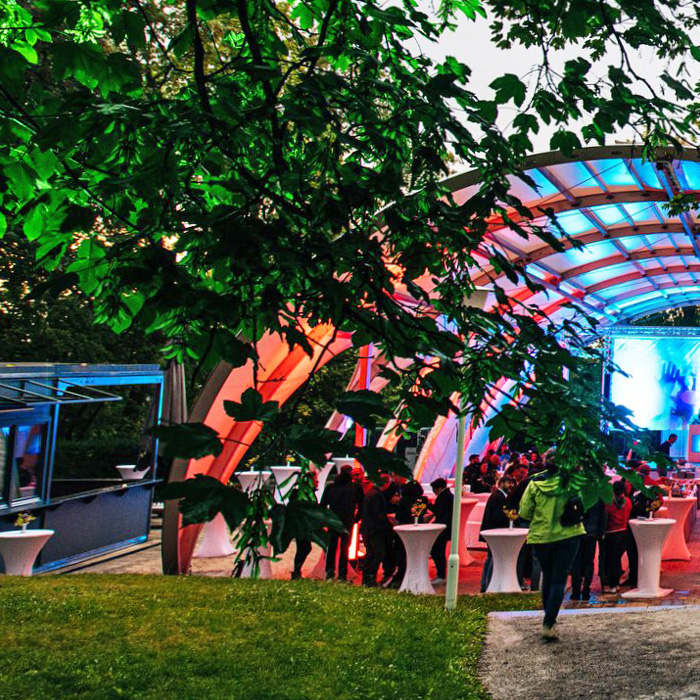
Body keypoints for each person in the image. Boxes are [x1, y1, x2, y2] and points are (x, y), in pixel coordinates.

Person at [518, 458, 585, 640]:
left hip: (542, 537)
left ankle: (549, 619)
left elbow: (524, 512)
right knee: (559, 580)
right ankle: (549, 623)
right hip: (568, 535)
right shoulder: (572, 482)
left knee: (548, 576)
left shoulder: (534, 483)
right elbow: (582, 504)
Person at [321, 468, 363, 581]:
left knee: (332, 547)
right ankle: (342, 573)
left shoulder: (330, 488)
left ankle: (330, 572)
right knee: (345, 548)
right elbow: (361, 505)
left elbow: (323, 505)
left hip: (333, 520)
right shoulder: (355, 488)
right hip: (347, 520)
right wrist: (356, 518)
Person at [480, 475, 516, 592]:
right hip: (494, 532)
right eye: (508, 483)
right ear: (501, 484)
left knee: (491, 558)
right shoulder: (498, 497)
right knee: (493, 558)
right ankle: (488, 584)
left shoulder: (499, 496)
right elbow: (496, 516)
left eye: (511, 483)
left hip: (492, 531)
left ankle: (485, 585)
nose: (510, 486)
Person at [360, 474, 392, 586]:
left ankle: (367, 578)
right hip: (374, 530)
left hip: (367, 529)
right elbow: (377, 515)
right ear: (386, 483)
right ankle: (370, 578)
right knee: (377, 554)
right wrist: (387, 527)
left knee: (371, 553)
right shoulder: (377, 496)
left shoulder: (370, 493)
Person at [391, 480, 425, 588]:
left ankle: (402, 574)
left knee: (401, 553)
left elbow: (398, 517)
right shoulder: (422, 500)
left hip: (404, 530)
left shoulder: (404, 501)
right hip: (417, 530)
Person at [570, 499, 606, 601]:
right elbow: (602, 515)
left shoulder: (576, 496)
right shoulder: (597, 498)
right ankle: (586, 590)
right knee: (589, 562)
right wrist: (601, 532)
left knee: (576, 563)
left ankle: (576, 591)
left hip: (577, 533)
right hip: (591, 534)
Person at [602, 480, 632, 594]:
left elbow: (606, 518)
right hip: (624, 532)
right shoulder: (628, 501)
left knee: (611, 560)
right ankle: (616, 583)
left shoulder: (609, 503)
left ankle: (613, 584)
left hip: (611, 533)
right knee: (617, 559)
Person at [427, 478, 453, 585]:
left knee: (437, 551)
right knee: (438, 551)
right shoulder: (448, 496)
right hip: (445, 528)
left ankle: (441, 575)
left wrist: (429, 505)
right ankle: (441, 574)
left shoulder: (443, 497)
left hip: (442, 529)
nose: (434, 492)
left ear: (439, 488)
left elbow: (438, 512)